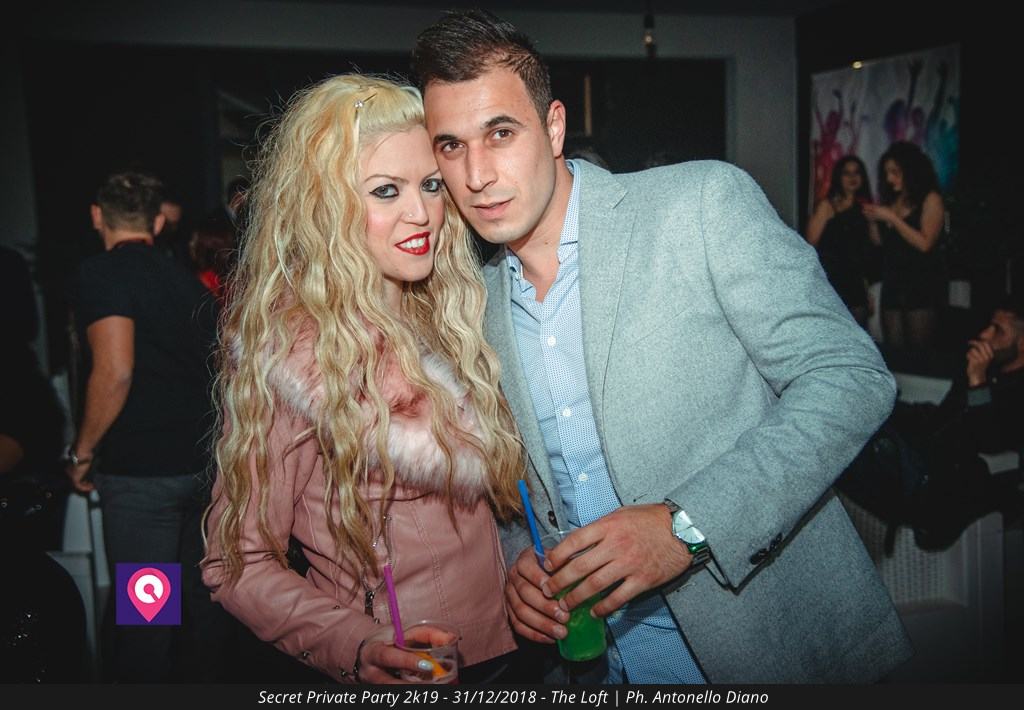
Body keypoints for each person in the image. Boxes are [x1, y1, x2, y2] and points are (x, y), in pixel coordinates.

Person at [412, 9, 912, 684]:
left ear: (553, 127)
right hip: (605, 668)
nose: (476, 174)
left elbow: (850, 376)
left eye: (500, 133)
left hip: (780, 653)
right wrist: (518, 559)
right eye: (451, 146)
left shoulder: (699, 205)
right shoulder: (470, 306)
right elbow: (521, 488)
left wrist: (689, 526)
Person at [199, 74, 525, 684]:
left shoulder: (459, 323)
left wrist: (530, 565)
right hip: (415, 671)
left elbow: (495, 512)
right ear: (326, 208)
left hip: (518, 652)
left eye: (431, 185)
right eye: (385, 190)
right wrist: (355, 644)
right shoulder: (294, 361)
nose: (420, 212)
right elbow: (236, 561)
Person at [67, 170, 221, 682]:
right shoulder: (185, 281)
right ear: (157, 222)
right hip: (200, 470)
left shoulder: (102, 273)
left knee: (148, 623)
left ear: (97, 216)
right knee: (200, 612)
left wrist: (82, 451)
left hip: (144, 481)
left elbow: (115, 370)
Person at [863, 141, 947, 349]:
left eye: (895, 172)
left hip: (921, 286)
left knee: (920, 354)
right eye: (887, 173)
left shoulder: (931, 199)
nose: (890, 178)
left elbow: (925, 243)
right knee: (895, 354)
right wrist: (873, 221)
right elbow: (880, 243)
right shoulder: (892, 200)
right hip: (893, 285)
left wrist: (892, 218)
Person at [806, 155, 879, 326]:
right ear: (839, 177)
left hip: (856, 284)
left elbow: (872, 247)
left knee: (858, 335)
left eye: (856, 173)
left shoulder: (864, 209)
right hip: (831, 281)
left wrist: (867, 290)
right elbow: (809, 245)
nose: (852, 177)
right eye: (847, 173)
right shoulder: (827, 206)